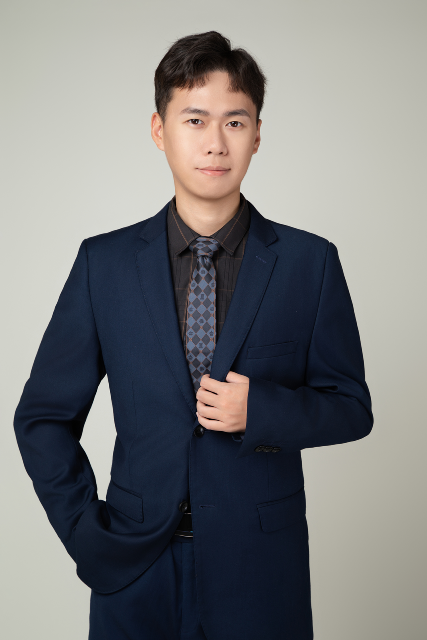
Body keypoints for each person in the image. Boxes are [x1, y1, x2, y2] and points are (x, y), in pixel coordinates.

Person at [13, 30, 373, 640]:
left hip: (261, 571)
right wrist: (85, 533)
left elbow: (351, 408)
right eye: (195, 119)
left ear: (257, 134)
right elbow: (43, 417)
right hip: (135, 570)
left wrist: (262, 410)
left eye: (235, 122)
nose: (215, 142)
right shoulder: (104, 264)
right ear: (160, 130)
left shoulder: (310, 263)